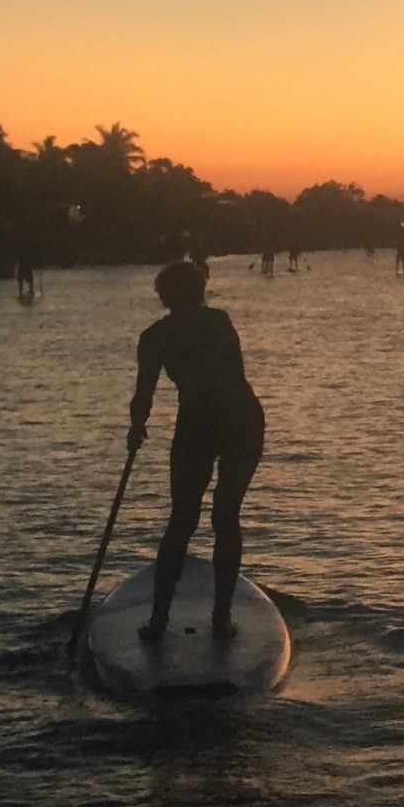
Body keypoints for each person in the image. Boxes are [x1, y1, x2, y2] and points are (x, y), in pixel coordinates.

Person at [127, 259, 266, 643]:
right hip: (232, 421)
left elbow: (144, 395)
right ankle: (212, 620)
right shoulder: (216, 322)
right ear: (200, 292)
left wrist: (137, 426)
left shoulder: (156, 337)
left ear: (164, 297)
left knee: (188, 519)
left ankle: (168, 621)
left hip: (225, 423)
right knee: (221, 516)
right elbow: (148, 393)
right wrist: (137, 424)